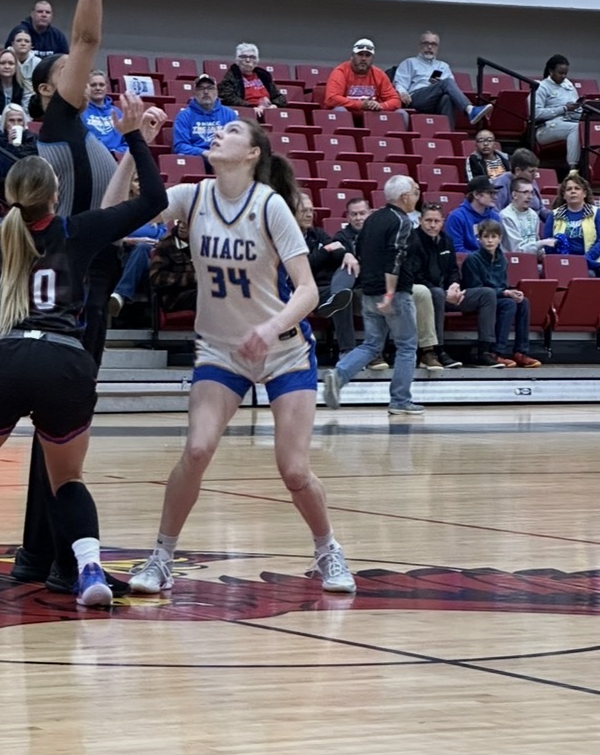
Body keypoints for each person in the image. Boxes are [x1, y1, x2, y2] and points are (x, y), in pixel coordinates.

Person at [0, 94, 166, 606]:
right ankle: (90, 572)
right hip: (64, 359)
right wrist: (134, 135)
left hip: (1, 359)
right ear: (55, 196)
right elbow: (153, 200)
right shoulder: (78, 230)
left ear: (10, 197)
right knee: (68, 479)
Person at [129, 116, 355, 597]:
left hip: (284, 350)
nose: (219, 133)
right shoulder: (193, 196)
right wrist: (135, 144)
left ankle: (327, 548)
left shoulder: (270, 205)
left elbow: (310, 291)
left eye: (232, 130)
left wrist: (270, 326)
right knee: (196, 450)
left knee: (293, 470)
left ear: (253, 152)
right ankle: (162, 557)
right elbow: (114, 212)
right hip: (220, 349)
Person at [323, 175, 424, 415]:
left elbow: (359, 252)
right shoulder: (402, 222)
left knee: (371, 344)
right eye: (415, 192)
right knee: (407, 345)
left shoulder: (372, 219)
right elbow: (396, 258)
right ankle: (400, 401)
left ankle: (338, 375)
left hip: (368, 291)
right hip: (394, 293)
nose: (417, 196)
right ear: (404, 197)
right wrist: (389, 293)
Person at [408, 202, 497, 369]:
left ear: (442, 222)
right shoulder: (413, 240)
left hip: (448, 293)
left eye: (436, 221)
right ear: (420, 220)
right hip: (426, 296)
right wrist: (444, 292)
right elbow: (416, 276)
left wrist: (455, 285)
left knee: (487, 294)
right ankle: (437, 350)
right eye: (428, 220)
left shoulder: (446, 240)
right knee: (436, 294)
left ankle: (484, 351)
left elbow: (453, 270)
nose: (432, 225)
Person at [461, 219, 542, 368]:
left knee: (523, 302)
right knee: (509, 304)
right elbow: (475, 288)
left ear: (500, 239)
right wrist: (505, 293)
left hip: (498, 296)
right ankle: (496, 352)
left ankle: (521, 352)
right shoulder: (472, 259)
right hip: (480, 300)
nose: (490, 241)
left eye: (493, 237)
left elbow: (503, 284)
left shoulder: (502, 259)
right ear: (479, 239)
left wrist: (511, 292)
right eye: (486, 237)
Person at [296, 193, 358, 357]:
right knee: (342, 296)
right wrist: (325, 251)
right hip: (298, 290)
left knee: (345, 288)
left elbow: (336, 250)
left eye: (311, 210)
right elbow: (303, 266)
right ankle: (333, 298)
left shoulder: (317, 234)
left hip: (324, 289)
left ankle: (347, 353)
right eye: (304, 211)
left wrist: (346, 254)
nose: (309, 214)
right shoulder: (286, 237)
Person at [393, 31, 492, 126]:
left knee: (447, 98)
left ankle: (448, 135)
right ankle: (470, 109)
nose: (430, 47)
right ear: (420, 46)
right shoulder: (410, 62)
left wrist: (437, 86)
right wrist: (402, 92)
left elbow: (449, 88)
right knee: (447, 82)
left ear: (437, 47)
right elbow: (399, 83)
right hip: (416, 98)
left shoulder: (442, 66)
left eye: (434, 44)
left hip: (435, 98)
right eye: (426, 43)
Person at [108, 173, 166, 317]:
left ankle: (121, 295)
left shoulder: (157, 209)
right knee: (141, 248)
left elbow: (165, 237)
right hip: (125, 255)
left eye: (144, 180)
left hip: (151, 257)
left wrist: (155, 243)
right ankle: (122, 296)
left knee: (145, 250)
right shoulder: (123, 208)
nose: (141, 184)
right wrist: (131, 241)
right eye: (136, 181)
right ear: (129, 185)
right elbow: (111, 236)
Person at [172, 74, 238, 171]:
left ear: (217, 92)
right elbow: (180, 146)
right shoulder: (184, 116)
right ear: (194, 92)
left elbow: (236, 142)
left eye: (210, 88)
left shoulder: (229, 114)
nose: (206, 92)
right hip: (194, 162)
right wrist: (203, 153)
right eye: (201, 88)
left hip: (223, 161)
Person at [323, 39, 402, 113]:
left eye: (368, 55)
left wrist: (380, 106)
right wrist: (361, 105)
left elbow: (396, 100)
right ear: (352, 56)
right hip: (348, 115)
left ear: (372, 58)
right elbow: (332, 99)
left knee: (401, 113)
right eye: (360, 55)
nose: (363, 59)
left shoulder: (379, 74)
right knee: (340, 110)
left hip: (370, 117)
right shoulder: (341, 72)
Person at [533, 55, 583, 172]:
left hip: (570, 120)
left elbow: (575, 107)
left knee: (587, 127)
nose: (563, 76)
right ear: (551, 71)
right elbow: (535, 114)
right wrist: (564, 109)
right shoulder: (541, 87)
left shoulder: (568, 85)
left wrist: (581, 109)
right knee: (575, 129)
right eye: (560, 73)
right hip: (545, 128)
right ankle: (573, 169)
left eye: (565, 73)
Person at [541, 171, 599, 266]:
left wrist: (586, 259)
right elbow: (548, 245)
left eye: (577, 188)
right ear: (564, 195)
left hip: (591, 263)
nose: (573, 191)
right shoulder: (554, 215)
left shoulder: (596, 213)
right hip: (562, 263)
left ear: (584, 193)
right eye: (569, 189)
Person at [218, 43, 287, 116]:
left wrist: (274, 105)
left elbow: (280, 97)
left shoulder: (264, 76)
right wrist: (251, 107)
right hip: (245, 113)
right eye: (243, 57)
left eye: (252, 57)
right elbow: (228, 98)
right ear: (237, 61)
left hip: (268, 112)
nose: (248, 60)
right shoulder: (231, 76)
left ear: (256, 61)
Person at [445, 175, 504, 254]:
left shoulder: (495, 217)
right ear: (476, 194)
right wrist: (480, 259)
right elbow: (456, 250)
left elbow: (497, 247)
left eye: (495, 193)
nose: (495, 197)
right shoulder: (456, 217)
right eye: (490, 193)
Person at [501, 176, 557, 257]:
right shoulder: (506, 216)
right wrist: (542, 243)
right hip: (514, 262)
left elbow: (535, 242)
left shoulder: (533, 215)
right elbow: (517, 251)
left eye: (531, 192)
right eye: (525, 192)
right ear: (514, 195)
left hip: (533, 260)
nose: (530, 196)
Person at [0, 102, 38, 185]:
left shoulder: (33, 138)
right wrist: (10, 145)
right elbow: (0, 171)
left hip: (30, 181)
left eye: (20, 120)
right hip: (7, 182)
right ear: (4, 122)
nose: (16, 124)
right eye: (11, 120)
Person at [80, 70, 126, 153]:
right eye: (93, 85)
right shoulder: (81, 111)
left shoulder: (117, 112)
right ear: (86, 87)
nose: (98, 88)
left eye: (101, 85)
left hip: (116, 158)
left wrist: (117, 152)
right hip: (92, 157)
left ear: (106, 88)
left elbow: (127, 141)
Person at [5, 0, 70, 55]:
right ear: (32, 14)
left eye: (47, 12)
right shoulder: (19, 32)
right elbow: (8, 56)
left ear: (52, 16)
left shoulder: (58, 36)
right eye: (40, 12)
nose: (44, 15)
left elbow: (65, 60)